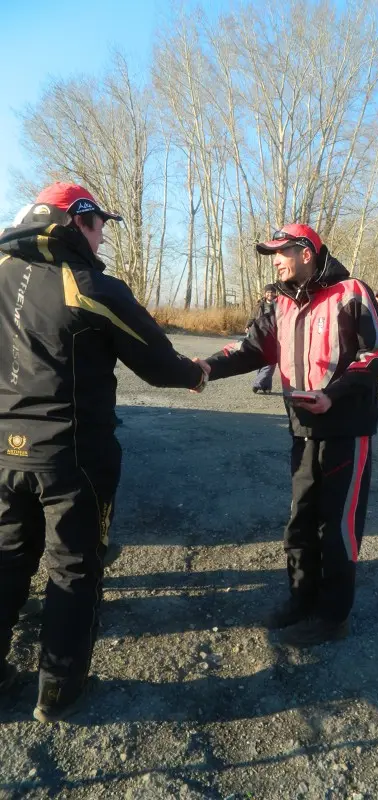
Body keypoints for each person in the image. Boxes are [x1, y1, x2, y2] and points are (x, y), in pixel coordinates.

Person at [0, 183, 208, 721]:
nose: (103, 237)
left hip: (2, 453)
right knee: (73, 567)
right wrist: (198, 374)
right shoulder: (90, 285)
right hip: (71, 457)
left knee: (6, 557)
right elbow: (159, 364)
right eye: (99, 226)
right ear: (78, 222)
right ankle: (59, 689)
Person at [204, 223, 378, 646]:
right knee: (301, 519)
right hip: (302, 428)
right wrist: (205, 367)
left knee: (337, 525)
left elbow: (377, 354)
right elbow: (253, 349)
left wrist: (333, 395)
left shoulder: (352, 291)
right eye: (272, 254)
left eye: (282, 252)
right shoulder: (278, 301)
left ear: (307, 251)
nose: (276, 261)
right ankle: (300, 599)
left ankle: (333, 616)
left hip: (346, 428)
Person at [251, 284, 278, 394]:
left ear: (275, 293)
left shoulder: (279, 304)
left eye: (272, 292)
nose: (270, 294)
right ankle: (266, 386)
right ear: (264, 293)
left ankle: (258, 383)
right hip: (260, 333)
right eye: (268, 292)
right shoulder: (259, 305)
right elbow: (252, 316)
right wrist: (248, 326)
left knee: (271, 360)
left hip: (274, 335)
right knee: (262, 358)